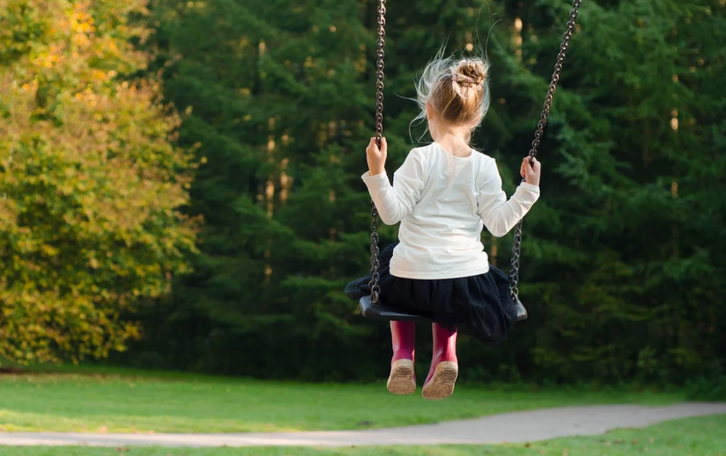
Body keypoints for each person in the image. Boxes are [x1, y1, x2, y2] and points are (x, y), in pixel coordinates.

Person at [345, 56, 541, 400]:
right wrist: (529, 189)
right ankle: (446, 355)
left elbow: (391, 214)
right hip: (465, 283)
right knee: (450, 288)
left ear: (429, 110)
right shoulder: (485, 166)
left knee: (393, 265)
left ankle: (402, 355)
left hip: (411, 280)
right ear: (477, 117)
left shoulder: (420, 159)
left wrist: (377, 172)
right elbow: (499, 225)